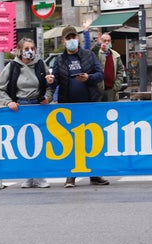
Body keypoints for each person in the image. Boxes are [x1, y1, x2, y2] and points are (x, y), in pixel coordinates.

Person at [52, 25, 109, 188]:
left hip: (89, 104)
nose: (72, 41)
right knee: (70, 142)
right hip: (69, 107)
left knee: (91, 140)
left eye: (74, 37)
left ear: (78, 39)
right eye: (68, 38)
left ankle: (95, 174)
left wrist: (88, 78)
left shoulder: (89, 55)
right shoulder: (59, 60)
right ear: (63, 41)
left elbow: (100, 75)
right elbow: (55, 80)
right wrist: (50, 81)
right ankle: (71, 176)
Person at [0, 37, 55, 188]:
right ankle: (28, 176)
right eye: (26, 49)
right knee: (25, 144)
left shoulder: (41, 64)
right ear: (20, 51)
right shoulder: (13, 66)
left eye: (32, 48)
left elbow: (49, 85)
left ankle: (40, 176)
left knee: (40, 142)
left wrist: (48, 96)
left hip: (38, 106)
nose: (30, 52)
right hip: (21, 108)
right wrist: (9, 102)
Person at [94, 33, 125, 102]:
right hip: (98, 89)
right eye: (104, 40)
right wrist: (98, 45)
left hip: (111, 90)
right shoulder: (97, 53)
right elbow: (92, 53)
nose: (107, 42)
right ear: (101, 41)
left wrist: (116, 86)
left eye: (108, 40)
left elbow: (120, 71)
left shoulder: (116, 55)